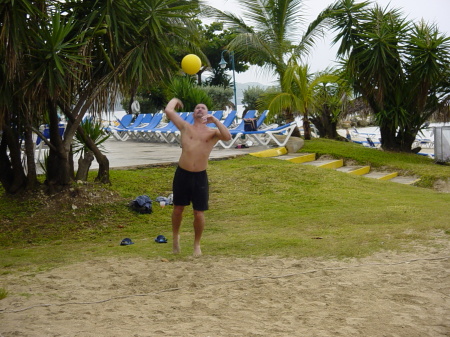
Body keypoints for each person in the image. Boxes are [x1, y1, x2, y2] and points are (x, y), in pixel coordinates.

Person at [164, 98, 232, 256]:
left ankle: (196, 245)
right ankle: (175, 238)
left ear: (207, 113)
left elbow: (228, 137)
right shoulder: (185, 127)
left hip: (200, 176)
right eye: (197, 108)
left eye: (203, 108)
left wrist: (215, 120)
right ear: (193, 113)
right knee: (178, 209)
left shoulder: (213, 132)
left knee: (199, 212)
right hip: (182, 174)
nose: (200, 109)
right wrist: (175, 100)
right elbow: (169, 111)